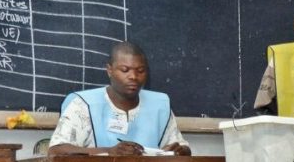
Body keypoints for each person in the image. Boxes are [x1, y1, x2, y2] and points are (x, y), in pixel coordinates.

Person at [48, 41, 191, 156]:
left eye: (140, 71)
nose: (133, 77)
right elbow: (56, 150)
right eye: (125, 70)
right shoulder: (83, 105)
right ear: (109, 70)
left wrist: (182, 151)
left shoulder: (159, 105)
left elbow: (179, 146)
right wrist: (109, 152)